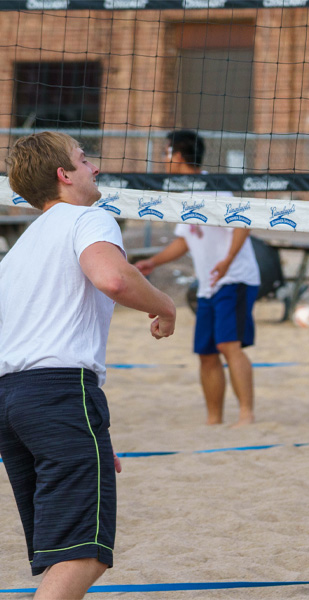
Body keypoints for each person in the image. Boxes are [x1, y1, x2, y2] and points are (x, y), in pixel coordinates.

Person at [0, 132, 176, 598]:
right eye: (83, 160)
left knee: (66, 549)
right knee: (82, 552)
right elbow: (114, 278)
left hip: (13, 402)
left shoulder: (18, 251)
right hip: (57, 395)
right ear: (64, 175)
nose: (94, 167)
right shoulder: (88, 217)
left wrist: (86, 433)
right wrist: (166, 307)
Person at [136, 130, 261, 426]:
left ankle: (246, 415)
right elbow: (185, 240)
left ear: (177, 156)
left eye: (165, 152)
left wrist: (227, 260)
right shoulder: (185, 193)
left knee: (228, 345)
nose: (163, 158)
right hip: (208, 285)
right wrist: (152, 262)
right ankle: (213, 420)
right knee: (206, 353)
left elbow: (243, 223)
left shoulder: (213, 188)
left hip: (234, 278)